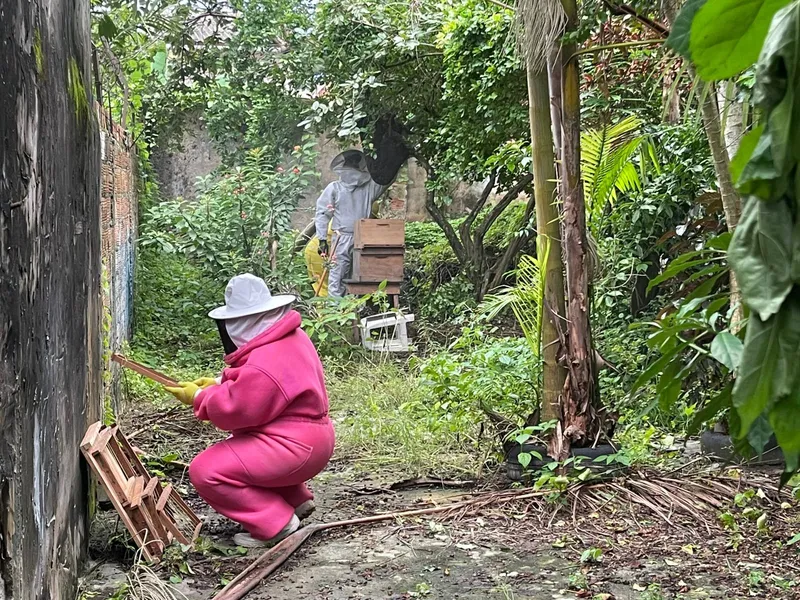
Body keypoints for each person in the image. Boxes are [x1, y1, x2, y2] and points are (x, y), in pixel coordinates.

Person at [165, 274, 335, 548]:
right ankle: (295, 500)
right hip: (312, 438)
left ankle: (275, 524)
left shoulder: (264, 362)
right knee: (248, 449)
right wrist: (220, 382)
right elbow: (268, 388)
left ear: (240, 323)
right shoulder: (291, 338)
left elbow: (237, 409)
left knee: (207, 470)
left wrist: (199, 397)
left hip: (293, 447)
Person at [314, 149, 391, 298]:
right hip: (342, 238)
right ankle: (336, 313)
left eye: (355, 162)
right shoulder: (334, 188)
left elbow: (386, 181)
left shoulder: (368, 187)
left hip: (361, 238)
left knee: (356, 279)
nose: (352, 166)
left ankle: (350, 314)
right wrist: (322, 238)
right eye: (351, 162)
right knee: (338, 276)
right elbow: (322, 213)